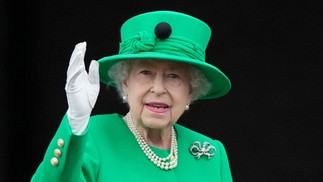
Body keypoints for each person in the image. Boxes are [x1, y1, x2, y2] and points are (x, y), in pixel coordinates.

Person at [31, 10, 233, 181]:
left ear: (191, 91)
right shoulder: (91, 137)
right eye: (146, 72)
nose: (158, 88)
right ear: (125, 83)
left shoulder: (211, 155)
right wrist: (75, 124)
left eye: (174, 76)